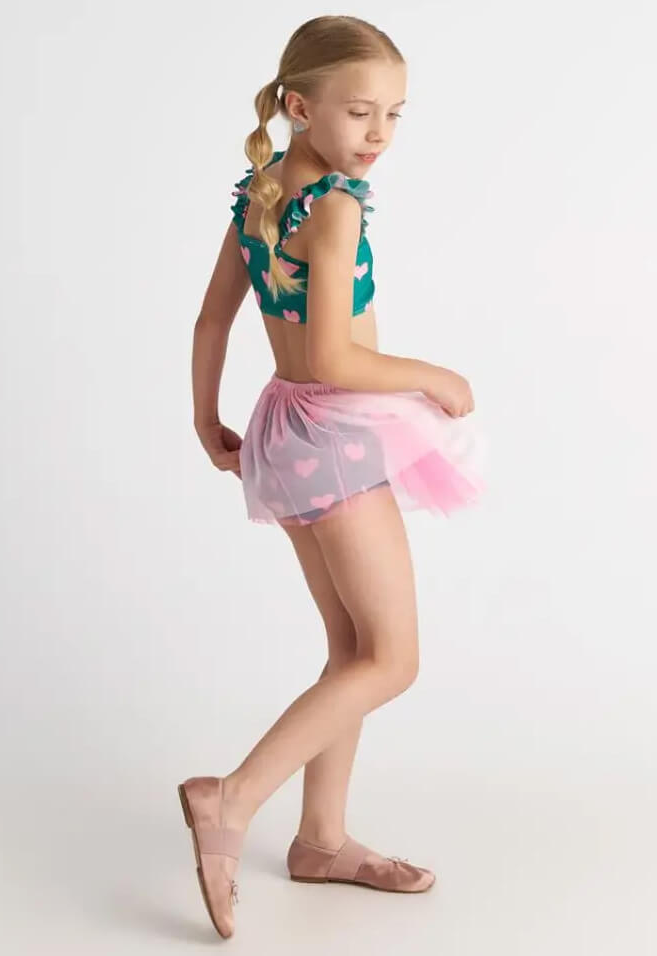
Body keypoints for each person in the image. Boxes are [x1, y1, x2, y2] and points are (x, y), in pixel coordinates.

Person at [181, 14, 486, 939]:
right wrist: (433, 377)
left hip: (284, 429)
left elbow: (212, 320)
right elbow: (331, 359)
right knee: (392, 659)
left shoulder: (261, 189)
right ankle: (233, 796)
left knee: (352, 647)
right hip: (333, 433)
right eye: (359, 112)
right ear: (299, 105)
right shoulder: (335, 207)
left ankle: (320, 841)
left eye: (394, 113)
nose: (379, 132)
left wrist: (205, 416)